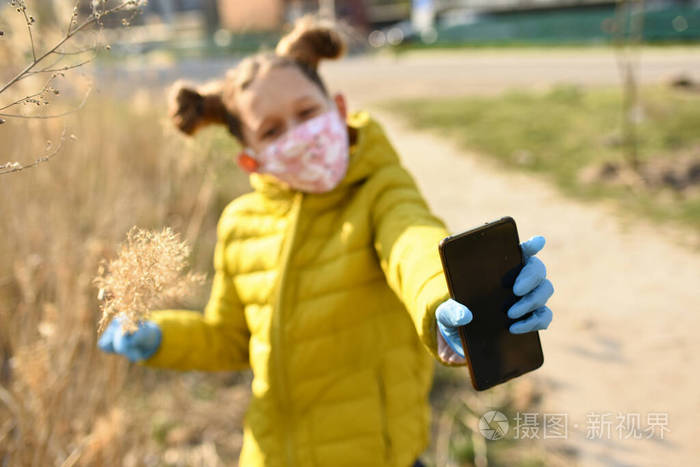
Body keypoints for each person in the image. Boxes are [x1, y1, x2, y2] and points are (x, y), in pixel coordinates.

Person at [98, 14, 554, 467]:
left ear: (337, 109)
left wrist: (443, 299)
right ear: (250, 161)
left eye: (306, 113)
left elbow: (411, 241)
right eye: (272, 130)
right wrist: (161, 338)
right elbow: (231, 339)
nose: (298, 135)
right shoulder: (239, 225)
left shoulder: (377, 189)